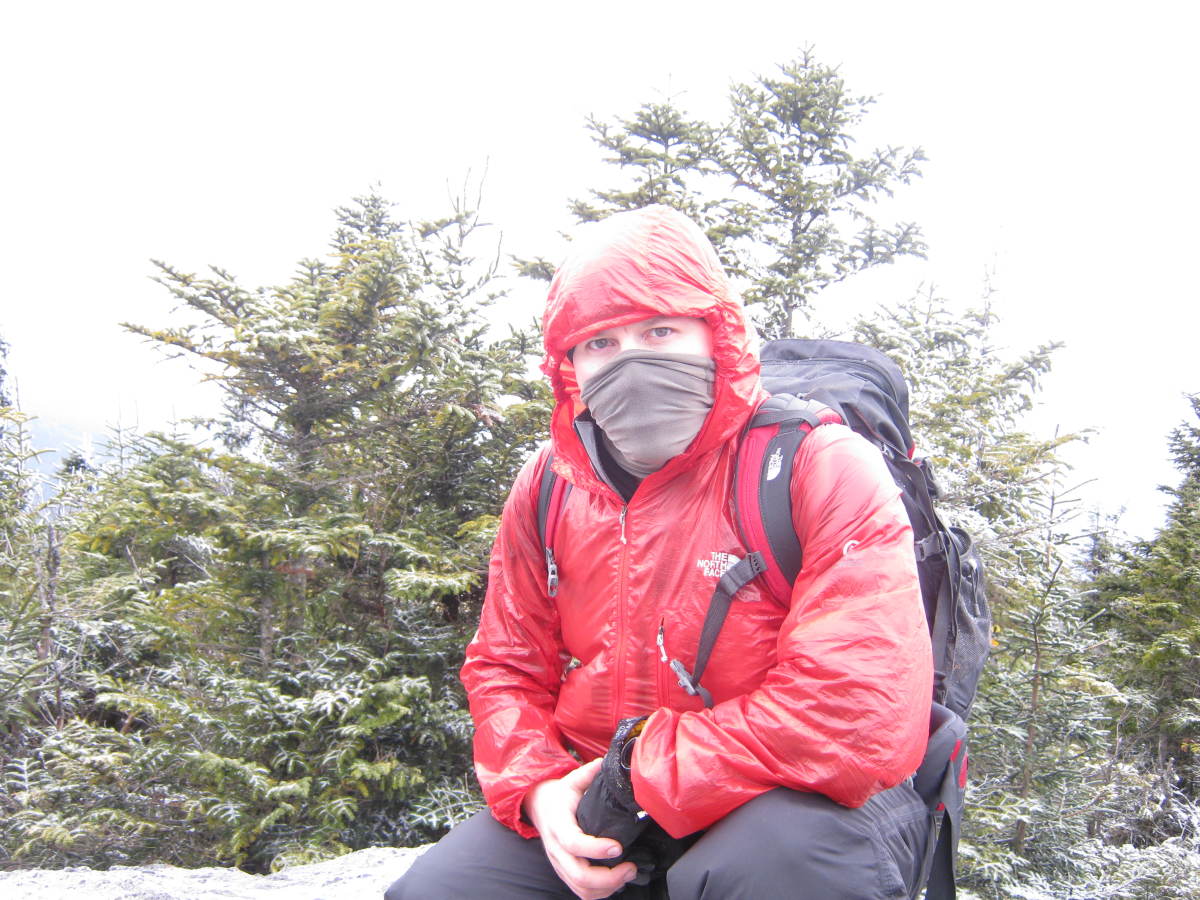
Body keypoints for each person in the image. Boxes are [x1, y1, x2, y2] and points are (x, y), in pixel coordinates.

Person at [386, 205, 934, 899]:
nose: (633, 362)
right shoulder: (550, 485)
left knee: (781, 870)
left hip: (790, 797)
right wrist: (539, 791)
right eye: (601, 343)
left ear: (717, 336)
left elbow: (855, 711)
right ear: (570, 367)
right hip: (595, 796)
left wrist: (639, 775)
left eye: (660, 330)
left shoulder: (814, 465)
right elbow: (504, 666)